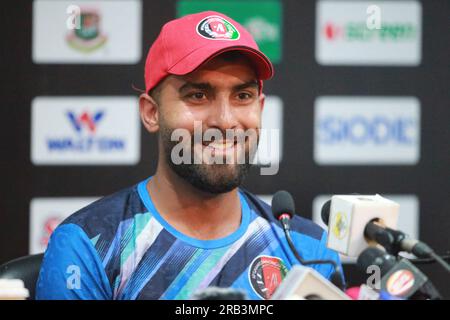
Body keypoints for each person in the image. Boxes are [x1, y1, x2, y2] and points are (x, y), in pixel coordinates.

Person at [36, 11, 341, 300]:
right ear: (151, 113)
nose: (224, 120)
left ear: (260, 108)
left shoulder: (308, 250)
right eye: (198, 95)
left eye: (242, 96)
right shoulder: (88, 244)